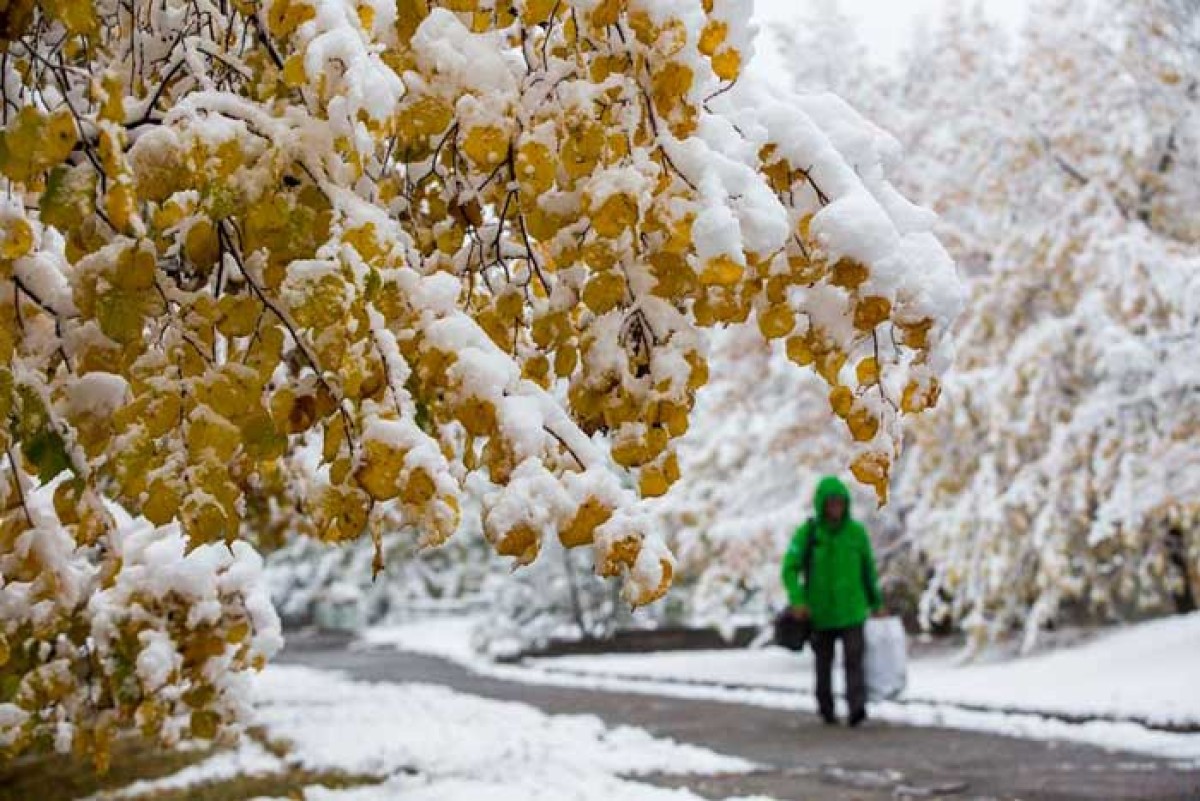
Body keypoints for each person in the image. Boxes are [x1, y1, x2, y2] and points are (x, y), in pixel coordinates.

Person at [781, 475, 882, 727]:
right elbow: (789, 567)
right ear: (821, 504)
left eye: (839, 503)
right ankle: (826, 707)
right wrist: (797, 600)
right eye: (830, 503)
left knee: (854, 660)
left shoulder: (856, 533)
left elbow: (867, 569)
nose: (835, 508)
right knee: (823, 663)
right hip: (819, 612)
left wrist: (876, 602)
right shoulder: (809, 533)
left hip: (852, 609)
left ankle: (857, 708)